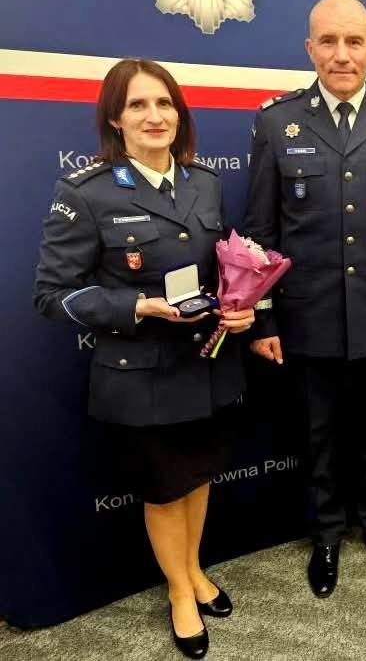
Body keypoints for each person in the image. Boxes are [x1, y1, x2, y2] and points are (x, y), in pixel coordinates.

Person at [33, 58, 255, 658]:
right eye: (137, 105)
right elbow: (52, 296)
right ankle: (181, 591)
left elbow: (221, 269)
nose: (154, 116)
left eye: (164, 104)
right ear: (115, 118)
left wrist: (240, 307)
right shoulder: (86, 193)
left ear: (179, 114)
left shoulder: (204, 182)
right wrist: (141, 306)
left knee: (198, 477)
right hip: (141, 375)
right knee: (163, 489)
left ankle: (195, 569)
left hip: (206, 364)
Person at [243, 0, 366, 598]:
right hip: (308, 314)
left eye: (353, 42)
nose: (341, 55)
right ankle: (325, 534)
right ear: (310, 49)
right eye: (328, 41)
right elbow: (261, 232)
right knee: (316, 433)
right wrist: (263, 318)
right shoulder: (277, 122)